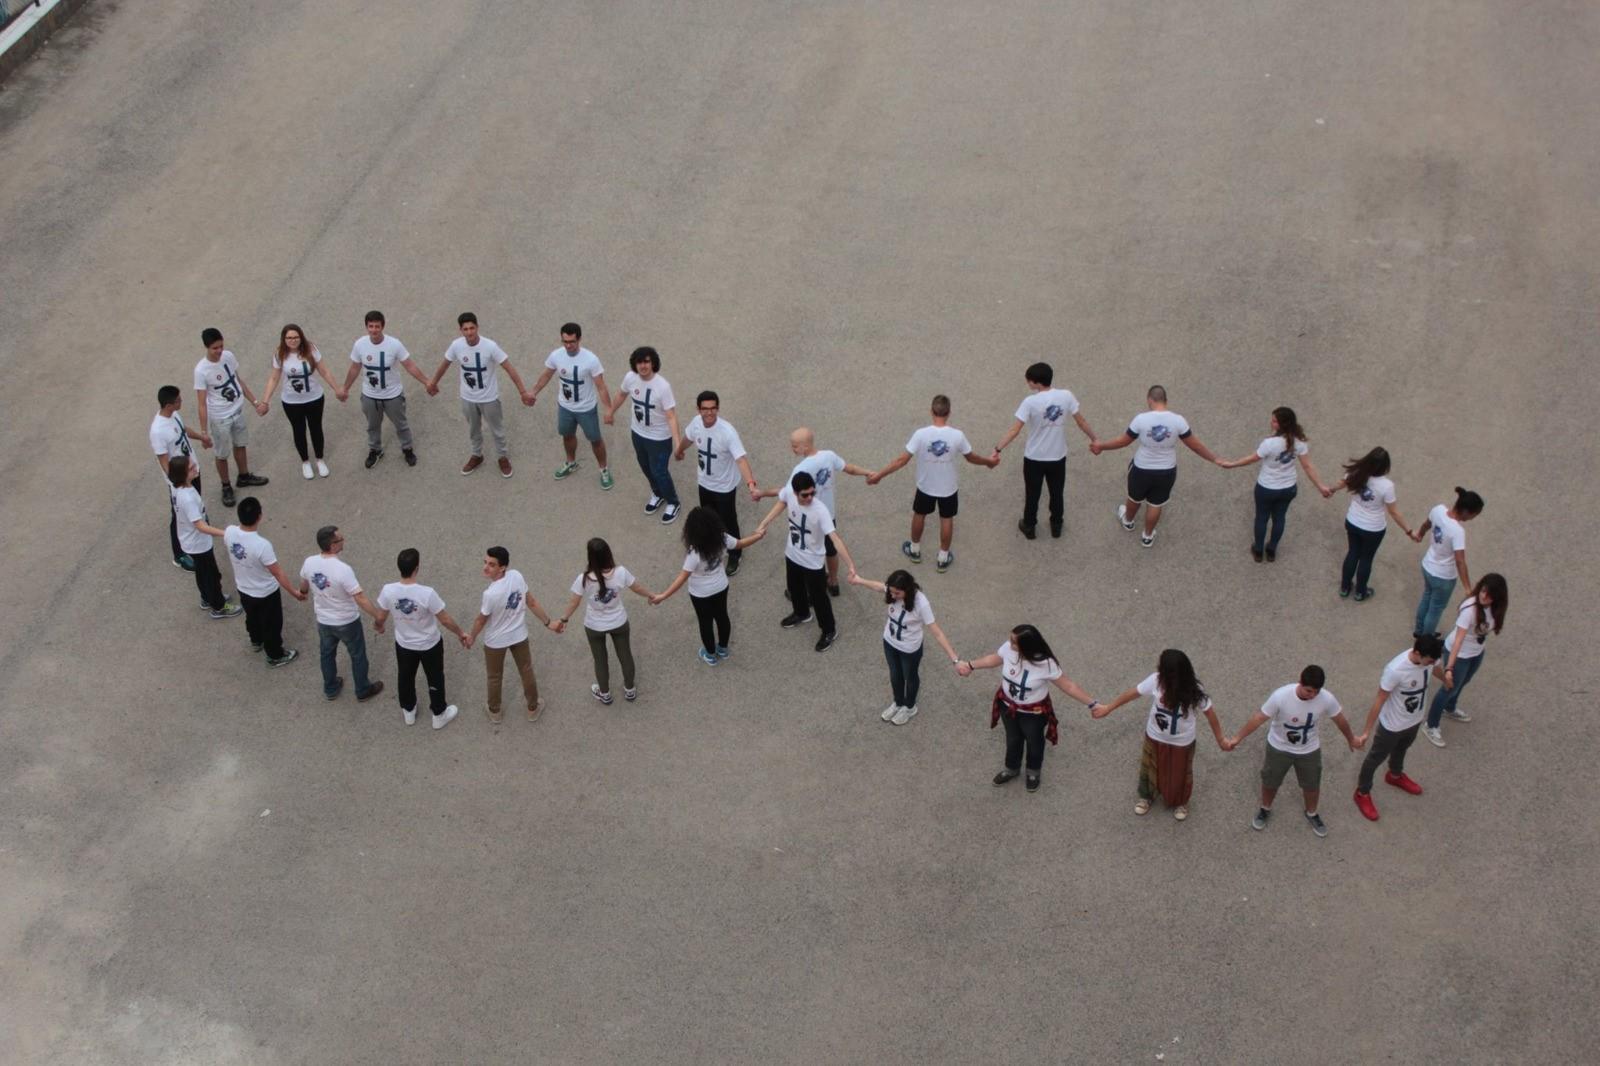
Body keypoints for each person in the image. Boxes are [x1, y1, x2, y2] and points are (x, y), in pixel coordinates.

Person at [955, 625, 1100, 793]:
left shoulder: (1046, 664)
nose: (1009, 644)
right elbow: (994, 658)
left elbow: (1068, 686)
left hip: (1033, 713)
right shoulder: (1009, 649)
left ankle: (1033, 771)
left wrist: (1092, 704)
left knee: (1034, 742)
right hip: (1007, 706)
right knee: (1013, 739)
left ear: (1027, 646)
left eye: (1014, 642)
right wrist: (970, 665)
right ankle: (1012, 768)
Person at [1090, 649, 1228, 821]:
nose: (1157, 668)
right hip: (1154, 735)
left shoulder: (1194, 689)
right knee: (1149, 767)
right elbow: (1132, 693)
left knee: (1180, 772)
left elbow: (1210, 714)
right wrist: (1108, 708)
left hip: (1182, 741)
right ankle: (1146, 796)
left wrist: (1221, 739)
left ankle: (1180, 802)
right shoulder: (1156, 681)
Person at [866, 394, 997, 572]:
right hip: (948, 488)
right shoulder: (958, 436)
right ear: (949, 413)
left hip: (925, 486)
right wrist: (988, 462)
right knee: (947, 519)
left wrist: (879, 475)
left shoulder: (920, 434)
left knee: (919, 514)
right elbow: (971, 457)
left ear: (931, 411)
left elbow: (901, 460)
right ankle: (943, 558)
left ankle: (914, 550)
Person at [1227, 665, 1358, 837]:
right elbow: (1259, 717)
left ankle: (1312, 813)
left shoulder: (1326, 698)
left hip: (1309, 749)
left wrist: (1351, 738)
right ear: (1300, 682)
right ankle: (1265, 808)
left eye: (1316, 692)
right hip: (1279, 747)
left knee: (1312, 784)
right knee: (1270, 781)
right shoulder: (1281, 696)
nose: (1312, 696)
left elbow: (1339, 719)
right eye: (1309, 691)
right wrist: (1237, 738)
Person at [1090, 385, 1221, 548]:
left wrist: (1101, 446)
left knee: (1134, 498)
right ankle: (1147, 536)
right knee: (1156, 504)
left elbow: (1123, 441)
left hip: (1141, 468)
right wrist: (1215, 459)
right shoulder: (1178, 421)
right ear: (1166, 400)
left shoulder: (1141, 419)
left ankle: (1128, 521)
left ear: (1149, 399)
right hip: (1166, 470)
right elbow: (1196, 446)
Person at [754, 428, 871, 595]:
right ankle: (833, 581)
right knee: (831, 549)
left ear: (805, 446)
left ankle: (809, 590)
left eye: (795, 446)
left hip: (810, 518)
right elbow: (849, 468)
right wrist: (868, 473)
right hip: (829, 514)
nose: (792, 449)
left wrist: (762, 495)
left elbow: (787, 494)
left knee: (809, 553)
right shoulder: (829, 456)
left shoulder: (801, 469)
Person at [755, 471, 860, 653]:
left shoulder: (820, 510)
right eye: (805, 495)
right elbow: (781, 503)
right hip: (793, 553)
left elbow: (834, 539)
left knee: (819, 598)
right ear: (796, 493)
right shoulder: (789, 493)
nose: (810, 497)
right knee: (794, 587)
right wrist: (764, 523)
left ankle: (829, 630)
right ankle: (802, 613)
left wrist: (850, 564)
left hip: (813, 562)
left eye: (813, 493)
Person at [990, 362, 1097, 540]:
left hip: (1034, 458)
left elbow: (1015, 430)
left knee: (1032, 494)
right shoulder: (1066, 396)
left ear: (1036, 382)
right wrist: (1094, 439)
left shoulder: (1030, 402)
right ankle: (1056, 525)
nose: (1028, 383)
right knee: (1057, 492)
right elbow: (1081, 421)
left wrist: (998, 448)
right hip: (1058, 457)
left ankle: (1029, 526)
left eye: (1029, 381)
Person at [648, 507, 765, 665]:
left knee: (705, 622)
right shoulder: (723, 538)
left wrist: (663, 596)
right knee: (722, 616)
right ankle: (723, 649)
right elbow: (740, 544)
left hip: (700, 593)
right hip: (721, 586)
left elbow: (681, 579)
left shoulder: (694, 553)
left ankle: (710, 654)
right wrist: (758, 536)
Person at [1217, 406, 1334, 561]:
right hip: (1288, 488)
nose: (1271, 423)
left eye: (1274, 421)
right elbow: (1307, 466)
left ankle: (1258, 550)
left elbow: (1253, 458)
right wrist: (1320, 486)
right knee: (1279, 518)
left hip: (1267, 487)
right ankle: (1272, 549)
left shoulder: (1270, 443)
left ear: (1282, 424)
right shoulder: (1299, 442)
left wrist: (1232, 464)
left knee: (1262, 518)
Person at [373, 548, 470, 730]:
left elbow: (381, 616)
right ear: (417, 568)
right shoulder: (427, 593)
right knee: (435, 678)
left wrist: (379, 625)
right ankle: (439, 714)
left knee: (405, 676)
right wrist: (460, 633)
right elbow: (445, 620)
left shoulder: (388, 590)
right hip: (429, 644)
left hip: (404, 644)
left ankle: (408, 710)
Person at [427, 312, 534, 478]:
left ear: (477, 327)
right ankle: (477, 455)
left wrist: (522, 392)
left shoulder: (490, 346)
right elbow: (445, 364)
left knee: (497, 430)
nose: (469, 332)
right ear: (460, 330)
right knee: (473, 429)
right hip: (468, 398)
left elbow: (509, 368)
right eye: (465, 329)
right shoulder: (456, 346)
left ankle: (502, 457)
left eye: (472, 328)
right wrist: (433, 382)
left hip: (489, 398)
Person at [1352, 633, 1446, 822]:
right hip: (1392, 725)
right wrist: (1366, 732)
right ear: (1417, 653)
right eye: (1429, 660)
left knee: (1402, 748)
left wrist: (1446, 680)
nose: (1432, 663)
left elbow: (1436, 667)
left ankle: (1394, 775)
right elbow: (1379, 700)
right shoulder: (1395, 670)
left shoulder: (1430, 658)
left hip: (1414, 720)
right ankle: (1362, 792)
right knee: (1375, 758)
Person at [846, 569, 959, 726]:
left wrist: (955, 660)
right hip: (890, 643)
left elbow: (937, 632)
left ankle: (910, 707)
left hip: (909, 649)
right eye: (891, 592)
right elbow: (879, 586)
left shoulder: (921, 603)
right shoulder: (893, 591)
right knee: (895, 675)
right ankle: (898, 703)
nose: (893, 596)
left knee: (910, 677)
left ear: (907, 589)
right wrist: (859, 580)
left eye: (897, 593)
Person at [555, 538, 657, 704]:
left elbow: (574, 602)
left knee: (600, 660)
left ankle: (605, 693)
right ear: (608, 553)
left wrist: (563, 619)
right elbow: (637, 587)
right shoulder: (621, 572)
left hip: (594, 626)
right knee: (625, 655)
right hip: (619, 622)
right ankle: (630, 690)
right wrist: (651, 596)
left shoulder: (584, 579)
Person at [465, 547, 557, 724]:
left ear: (502, 567)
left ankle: (495, 711)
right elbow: (531, 602)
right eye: (485, 562)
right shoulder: (517, 576)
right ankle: (533, 708)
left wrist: (472, 637)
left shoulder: (490, 594)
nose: (486, 567)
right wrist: (548, 622)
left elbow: (481, 620)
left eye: (491, 564)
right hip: (519, 635)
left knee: (494, 676)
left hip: (495, 641)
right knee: (526, 670)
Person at [297, 525, 386, 702]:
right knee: (357, 654)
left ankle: (330, 687)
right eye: (340, 539)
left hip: (324, 619)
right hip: (346, 621)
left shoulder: (309, 562)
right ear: (332, 545)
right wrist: (378, 617)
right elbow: (360, 598)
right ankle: (362, 689)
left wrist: (303, 593)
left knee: (327, 654)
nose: (343, 541)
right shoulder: (342, 569)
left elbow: (304, 583)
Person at [676, 390, 759, 575]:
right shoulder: (696, 423)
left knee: (728, 521)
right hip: (704, 482)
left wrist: (751, 484)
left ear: (718, 408)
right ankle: (713, 546)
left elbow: (741, 459)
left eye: (713, 408)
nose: (709, 412)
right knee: (708, 518)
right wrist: (679, 450)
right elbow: (688, 438)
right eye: (705, 409)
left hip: (724, 487)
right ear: (699, 409)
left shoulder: (727, 432)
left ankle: (735, 554)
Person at [1424, 573, 1508, 748]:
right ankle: (1430, 725)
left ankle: (1450, 708)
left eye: (1489, 594)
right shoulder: (1470, 610)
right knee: (1448, 688)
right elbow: (1458, 641)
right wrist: (1449, 668)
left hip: (1476, 652)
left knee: (1463, 681)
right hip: (1460, 654)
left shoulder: (1495, 609)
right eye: (1483, 591)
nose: (1484, 596)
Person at [343, 310, 433, 469]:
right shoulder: (360, 345)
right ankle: (375, 450)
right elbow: (354, 368)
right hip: (370, 396)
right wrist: (345, 388)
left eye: (377, 326)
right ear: (366, 327)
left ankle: (407, 448)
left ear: (382, 327)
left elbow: (409, 365)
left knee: (401, 424)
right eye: (371, 326)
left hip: (393, 396)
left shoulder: (394, 344)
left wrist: (426, 381)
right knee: (372, 426)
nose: (374, 330)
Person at [529, 322, 614, 488]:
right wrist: (534, 392)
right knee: (567, 435)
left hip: (586, 408)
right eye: (565, 342)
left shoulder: (591, 359)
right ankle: (571, 462)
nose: (568, 346)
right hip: (565, 407)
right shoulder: (556, 355)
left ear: (579, 339)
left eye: (572, 342)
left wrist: (608, 409)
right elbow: (546, 375)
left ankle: (603, 469)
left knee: (595, 440)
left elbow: (601, 386)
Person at [223, 496, 305, 666]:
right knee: (271, 624)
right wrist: (294, 593)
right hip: (265, 592)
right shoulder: (262, 545)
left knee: (252, 617)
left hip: (243, 588)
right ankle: (275, 655)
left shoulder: (230, 532)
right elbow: (277, 573)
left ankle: (256, 640)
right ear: (259, 517)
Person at [606, 346, 683, 523]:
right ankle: (657, 493)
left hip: (659, 438)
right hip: (638, 433)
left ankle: (673, 502)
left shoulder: (663, 387)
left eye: (646, 362)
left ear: (653, 363)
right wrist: (610, 411)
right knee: (645, 467)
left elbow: (671, 416)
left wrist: (677, 443)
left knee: (659, 471)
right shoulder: (630, 378)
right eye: (639, 362)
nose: (643, 366)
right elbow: (621, 395)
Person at [194, 327, 269, 507]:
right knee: (221, 454)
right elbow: (202, 403)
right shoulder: (201, 371)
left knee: (240, 444)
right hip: (220, 417)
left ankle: (243, 476)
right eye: (215, 348)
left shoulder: (228, 356)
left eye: (221, 346)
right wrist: (204, 432)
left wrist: (255, 402)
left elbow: (238, 380)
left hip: (237, 410)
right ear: (206, 347)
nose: (219, 350)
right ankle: (226, 485)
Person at [1329, 447, 1415, 602]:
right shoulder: (1387, 486)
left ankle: (1344, 587)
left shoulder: (1357, 472)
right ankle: (1360, 592)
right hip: (1373, 528)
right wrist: (1409, 531)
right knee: (1366, 559)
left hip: (1353, 521)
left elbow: (1342, 483)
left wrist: (1331, 490)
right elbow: (1394, 512)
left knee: (1353, 552)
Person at [258, 323, 341, 480]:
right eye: (289, 338)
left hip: (314, 398)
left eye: (296, 337)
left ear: (301, 337)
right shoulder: (280, 354)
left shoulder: (311, 349)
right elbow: (274, 378)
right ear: (284, 339)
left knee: (316, 428)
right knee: (299, 430)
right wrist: (265, 401)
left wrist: (337, 389)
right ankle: (305, 462)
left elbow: (324, 371)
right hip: (291, 402)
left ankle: (320, 459)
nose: (293, 340)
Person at [168, 457, 243, 618]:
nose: (195, 468)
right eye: (190, 468)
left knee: (202, 573)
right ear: (182, 475)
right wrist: (225, 533)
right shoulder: (187, 498)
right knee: (211, 576)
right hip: (198, 543)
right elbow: (200, 526)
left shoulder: (179, 489)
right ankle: (219, 606)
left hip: (190, 541)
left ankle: (206, 597)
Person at [1412, 487, 1485, 637]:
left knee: (1426, 597)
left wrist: (1420, 534)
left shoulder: (1438, 510)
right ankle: (1426, 639)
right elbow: (1460, 561)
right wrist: (1467, 588)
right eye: (1474, 515)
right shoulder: (1457, 531)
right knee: (1435, 609)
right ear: (1466, 512)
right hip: (1443, 576)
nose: (1472, 518)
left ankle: (1419, 630)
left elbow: (1426, 525)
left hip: (1428, 566)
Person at [150, 384, 209, 570]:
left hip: (191, 470)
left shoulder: (174, 415)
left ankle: (200, 526)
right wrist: (178, 484)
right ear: (168, 405)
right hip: (180, 480)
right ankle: (179, 554)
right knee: (178, 515)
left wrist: (201, 437)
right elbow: (163, 460)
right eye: (178, 401)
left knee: (196, 502)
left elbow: (184, 430)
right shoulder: (158, 431)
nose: (181, 401)